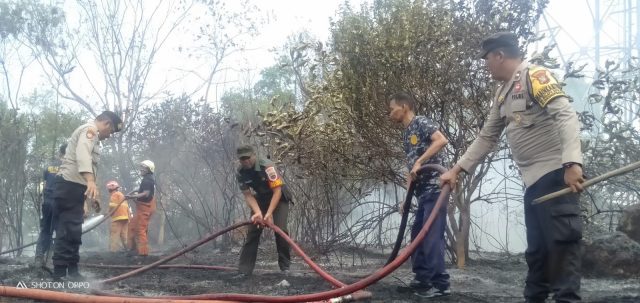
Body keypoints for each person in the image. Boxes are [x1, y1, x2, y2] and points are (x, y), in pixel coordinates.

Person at [440, 32, 585, 303]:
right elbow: (486, 137)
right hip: (534, 184)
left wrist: (572, 163)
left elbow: (565, 114)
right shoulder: (503, 94)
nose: (486, 66)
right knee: (538, 253)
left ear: (499, 55)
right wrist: (456, 170)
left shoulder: (535, 76)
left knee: (562, 251)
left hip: (556, 176)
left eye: (487, 60)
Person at [388, 93, 451, 298]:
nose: (390, 114)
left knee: (431, 236)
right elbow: (411, 171)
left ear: (404, 107)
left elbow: (441, 140)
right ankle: (422, 280)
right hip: (422, 193)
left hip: (435, 188)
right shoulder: (407, 134)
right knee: (417, 236)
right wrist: (406, 200)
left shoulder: (421, 122)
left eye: (392, 108)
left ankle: (440, 285)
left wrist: (420, 161)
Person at [51, 111, 122, 281]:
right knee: (67, 230)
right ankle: (60, 274)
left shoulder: (93, 135)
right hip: (68, 185)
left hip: (75, 187)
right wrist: (90, 180)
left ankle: (73, 271)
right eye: (111, 132)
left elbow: (87, 167)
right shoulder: (89, 130)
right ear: (106, 124)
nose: (109, 136)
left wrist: (93, 195)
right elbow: (82, 155)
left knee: (74, 230)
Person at [233, 145, 292, 279]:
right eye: (242, 159)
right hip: (261, 199)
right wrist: (258, 213)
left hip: (279, 198)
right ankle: (244, 270)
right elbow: (248, 195)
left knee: (280, 230)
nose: (246, 161)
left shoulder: (267, 166)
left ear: (254, 155)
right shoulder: (240, 172)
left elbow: (277, 191)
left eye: (248, 158)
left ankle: (285, 268)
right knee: (253, 231)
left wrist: (269, 213)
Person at [33, 143, 67, 268]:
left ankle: (39, 258)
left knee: (46, 230)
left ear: (60, 153)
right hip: (61, 202)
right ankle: (57, 262)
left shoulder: (49, 166)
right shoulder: (69, 166)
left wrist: (42, 198)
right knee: (61, 231)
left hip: (48, 202)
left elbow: (45, 184)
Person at [126, 160, 156, 257]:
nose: (141, 169)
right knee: (132, 227)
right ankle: (132, 249)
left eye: (143, 167)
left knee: (140, 230)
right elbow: (142, 189)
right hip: (143, 208)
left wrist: (132, 197)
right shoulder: (147, 178)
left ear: (148, 169)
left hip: (145, 208)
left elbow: (146, 193)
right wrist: (132, 192)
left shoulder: (148, 179)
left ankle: (143, 253)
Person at [106, 180, 129, 252]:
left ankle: (113, 252)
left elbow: (112, 206)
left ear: (110, 189)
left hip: (117, 218)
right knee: (124, 235)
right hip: (125, 218)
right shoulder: (121, 195)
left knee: (114, 235)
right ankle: (127, 249)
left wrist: (107, 212)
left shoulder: (114, 195)